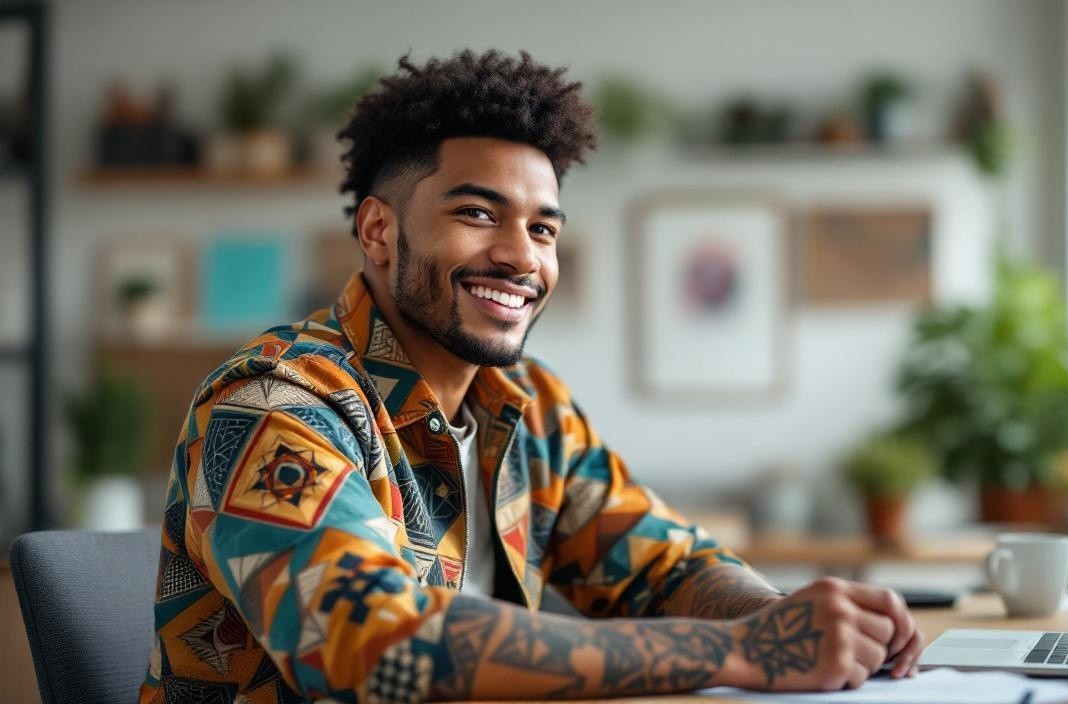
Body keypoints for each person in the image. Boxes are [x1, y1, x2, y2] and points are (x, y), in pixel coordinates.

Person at [140, 49, 923, 704]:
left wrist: (789, 620)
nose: (522, 256)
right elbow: (369, 647)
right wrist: (744, 653)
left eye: (543, 228)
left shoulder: (531, 408)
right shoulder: (272, 405)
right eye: (477, 214)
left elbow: (663, 566)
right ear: (378, 232)